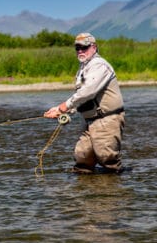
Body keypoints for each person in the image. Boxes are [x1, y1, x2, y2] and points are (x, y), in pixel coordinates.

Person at [44, 33, 125, 174]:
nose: (80, 51)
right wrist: (64, 111)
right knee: (82, 159)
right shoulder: (84, 67)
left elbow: (88, 92)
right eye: (77, 48)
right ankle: (84, 192)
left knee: (108, 160)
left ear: (94, 47)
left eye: (84, 47)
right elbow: (83, 98)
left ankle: (113, 193)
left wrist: (63, 107)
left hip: (107, 119)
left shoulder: (100, 65)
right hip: (89, 120)